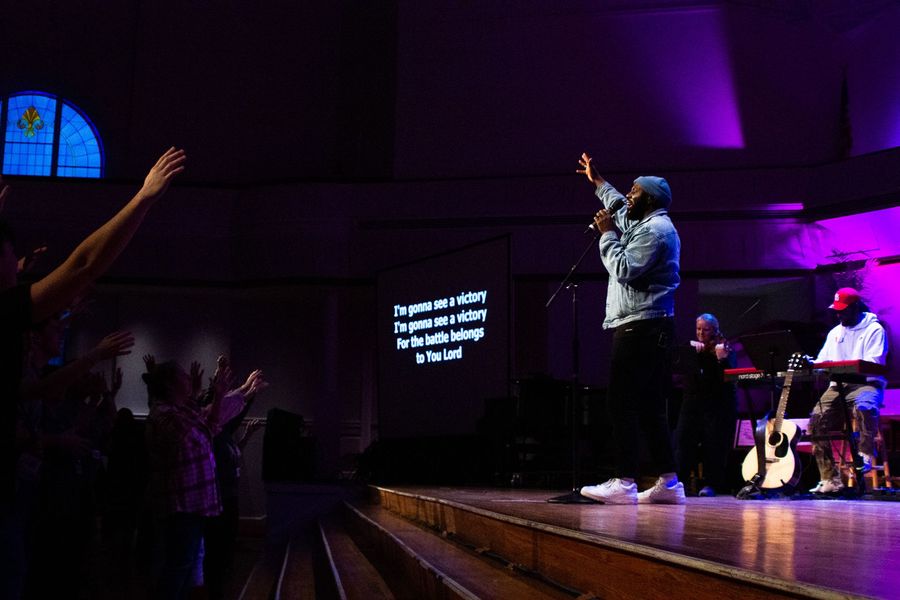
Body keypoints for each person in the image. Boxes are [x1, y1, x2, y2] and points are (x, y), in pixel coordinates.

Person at [575, 152, 684, 505]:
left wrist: (607, 235)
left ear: (649, 199)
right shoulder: (642, 220)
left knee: (621, 402)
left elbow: (623, 268)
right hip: (649, 326)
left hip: (641, 327)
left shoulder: (655, 231)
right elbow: (619, 204)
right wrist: (597, 181)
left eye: (635, 192)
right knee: (651, 406)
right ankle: (669, 483)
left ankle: (624, 482)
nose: (628, 196)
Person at [808, 287, 888, 494]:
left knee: (864, 406)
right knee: (816, 419)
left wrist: (843, 367)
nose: (839, 314)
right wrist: (812, 363)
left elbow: (873, 362)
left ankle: (865, 452)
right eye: (837, 310)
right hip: (839, 386)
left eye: (843, 310)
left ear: (856, 308)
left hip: (867, 383)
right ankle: (829, 478)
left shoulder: (874, 330)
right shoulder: (835, 332)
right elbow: (823, 360)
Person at [673, 313, 737, 497]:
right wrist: (689, 348)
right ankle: (680, 483)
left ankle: (711, 484)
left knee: (713, 444)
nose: (701, 333)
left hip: (716, 404)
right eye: (698, 329)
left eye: (706, 330)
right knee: (684, 441)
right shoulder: (693, 347)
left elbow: (728, 378)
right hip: (691, 402)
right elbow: (679, 364)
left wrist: (721, 359)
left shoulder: (724, 349)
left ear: (715, 331)